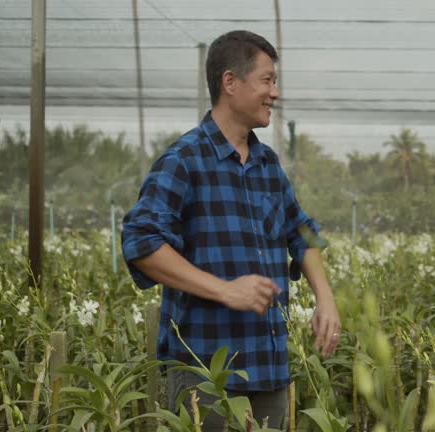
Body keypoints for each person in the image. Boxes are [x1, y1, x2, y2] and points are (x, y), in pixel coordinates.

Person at [121, 30, 341, 430]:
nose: (275, 92)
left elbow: (302, 232)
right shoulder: (183, 161)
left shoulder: (267, 163)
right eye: (267, 79)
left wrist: (325, 299)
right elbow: (141, 242)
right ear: (230, 82)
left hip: (269, 366)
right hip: (208, 373)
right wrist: (224, 289)